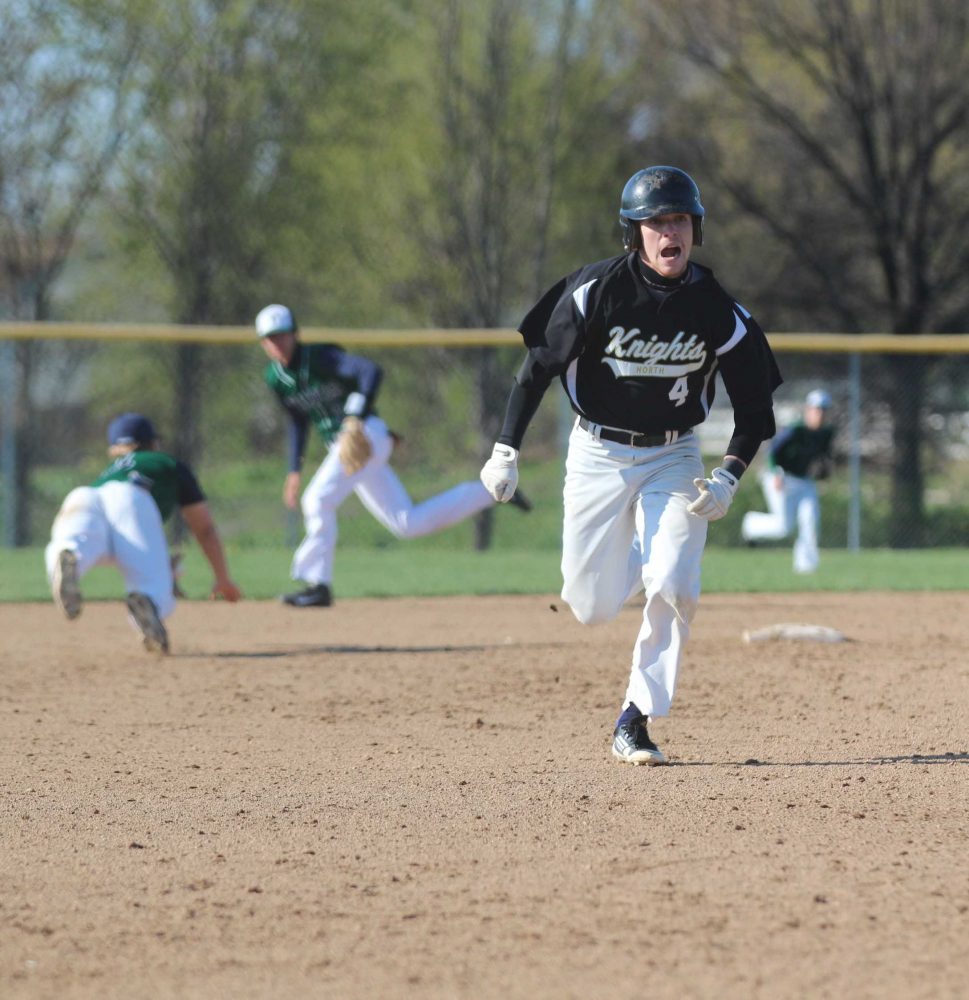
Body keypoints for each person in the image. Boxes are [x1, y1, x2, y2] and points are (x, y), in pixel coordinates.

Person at [479, 165, 782, 765]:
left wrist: (728, 475)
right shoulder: (597, 291)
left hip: (674, 455)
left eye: (681, 219)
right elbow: (538, 367)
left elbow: (756, 410)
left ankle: (635, 718)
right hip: (598, 453)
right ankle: (650, 558)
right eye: (657, 221)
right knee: (590, 606)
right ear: (634, 234)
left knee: (674, 583)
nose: (672, 232)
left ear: (694, 228)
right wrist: (505, 447)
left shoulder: (716, 308)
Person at [256, 304, 530, 607]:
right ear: (262, 343)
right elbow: (297, 420)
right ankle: (490, 491)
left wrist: (355, 415)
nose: (277, 343)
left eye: (282, 335)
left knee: (316, 500)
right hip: (346, 446)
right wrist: (294, 470)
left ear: (295, 334)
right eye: (270, 338)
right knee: (406, 523)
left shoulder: (319, 357)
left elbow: (370, 372)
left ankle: (317, 583)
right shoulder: (275, 378)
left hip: (364, 436)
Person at [46, 413, 242, 653]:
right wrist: (222, 578)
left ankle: (69, 557)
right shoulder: (168, 464)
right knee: (153, 585)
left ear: (114, 449)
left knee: (81, 544)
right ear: (153, 443)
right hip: (132, 499)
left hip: (85, 496)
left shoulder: (109, 471)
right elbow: (205, 529)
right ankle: (148, 601)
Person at [741, 389, 835, 573]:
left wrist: (825, 471)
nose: (820, 414)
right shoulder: (795, 429)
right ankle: (750, 524)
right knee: (783, 527)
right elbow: (772, 451)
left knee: (810, 520)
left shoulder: (826, 433)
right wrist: (776, 472)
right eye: (816, 409)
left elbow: (824, 457)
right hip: (781, 477)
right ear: (808, 410)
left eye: (824, 410)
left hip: (804, 481)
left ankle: (806, 568)